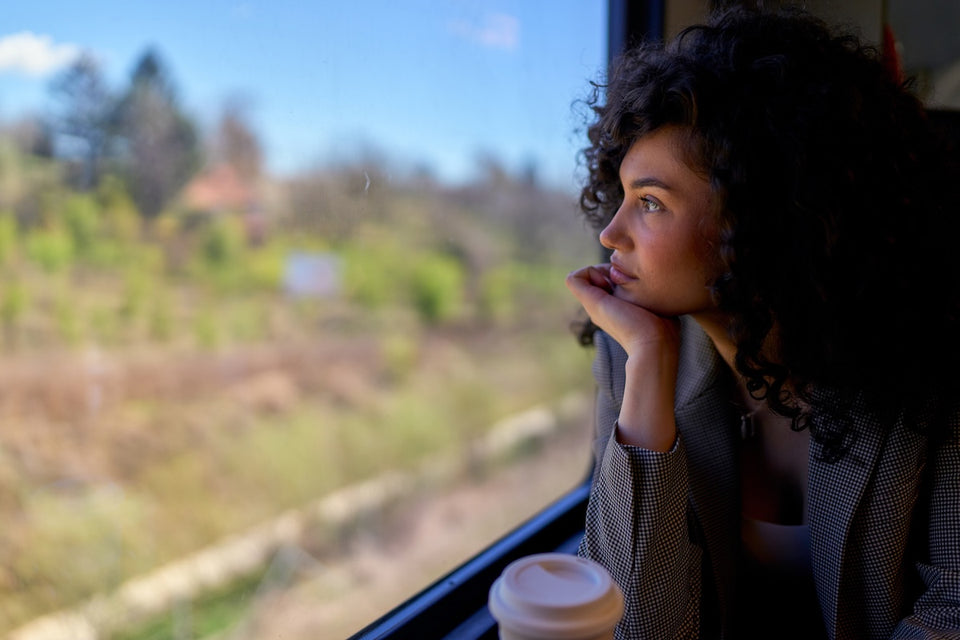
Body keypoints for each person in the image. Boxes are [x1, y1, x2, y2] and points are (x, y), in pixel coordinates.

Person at [565, 5, 960, 640]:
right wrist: (648, 366)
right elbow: (636, 627)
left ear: (762, 218)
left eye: (650, 203)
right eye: (623, 197)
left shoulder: (931, 359)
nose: (611, 234)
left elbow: (954, 608)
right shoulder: (630, 353)